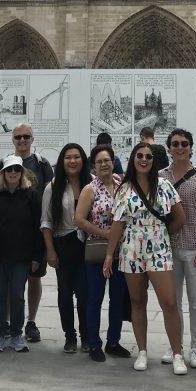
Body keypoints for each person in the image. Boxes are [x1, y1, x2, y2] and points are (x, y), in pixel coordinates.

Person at [104, 141, 187, 374]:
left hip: (158, 248)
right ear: (133, 159)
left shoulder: (165, 186)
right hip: (131, 250)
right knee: (137, 301)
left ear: (153, 161)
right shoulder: (125, 189)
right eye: (139, 155)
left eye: (148, 157)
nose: (143, 159)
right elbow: (117, 224)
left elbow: (180, 217)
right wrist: (110, 254)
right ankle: (142, 351)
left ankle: (177, 353)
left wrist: (161, 234)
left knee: (169, 302)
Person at [0, 123, 53, 343]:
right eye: (18, 137)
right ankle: (5, 324)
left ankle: (31, 322)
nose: (22, 140)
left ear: (32, 139)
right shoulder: (2, 163)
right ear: (12, 139)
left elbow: (49, 196)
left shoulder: (42, 165)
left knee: (34, 278)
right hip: (8, 237)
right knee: (9, 285)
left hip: (34, 233)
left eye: (26, 136)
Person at [159, 128, 196, 369]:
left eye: (184, 144)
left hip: (193, 247)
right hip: (167, 247)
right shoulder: (160, 177)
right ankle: (176, 346)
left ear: (191, 148)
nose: (180, 148)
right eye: (175, 144)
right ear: (169, 148)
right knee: (172, 301)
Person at [75, 144, 130, 362]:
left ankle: (113, 341)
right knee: (95, 298)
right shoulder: (90, 189)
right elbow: (78, 219)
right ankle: (94, 343)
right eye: (99, 162)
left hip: (121, 252)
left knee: (117, 298)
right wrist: (104, 233)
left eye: (107, 160)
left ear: (113, 161)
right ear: (94, 165)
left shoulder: (121, 184)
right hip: (98, 250)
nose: (104, 164)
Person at [0, 155, 43, 353]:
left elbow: (38, 228)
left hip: (21, 256)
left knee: (17, 295)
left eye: (16, 170)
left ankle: (17, 334)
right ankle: (0, 334)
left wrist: (37, 256)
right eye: (9, 170)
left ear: (21, 173)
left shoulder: (31, 196)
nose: (12, 173)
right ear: (3, 173)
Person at [41, 143, 92, 353]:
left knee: (85, 293)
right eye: (68, 157)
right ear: (62, 161)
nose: (73, 161)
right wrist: (50, 251)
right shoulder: (53, 187)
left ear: (83, 160)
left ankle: (86, 336)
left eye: (77, 157)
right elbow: (46, 221)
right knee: (64, 294)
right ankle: (69, 336)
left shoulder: (92, 183)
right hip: (63, 244)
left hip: (88, 246)